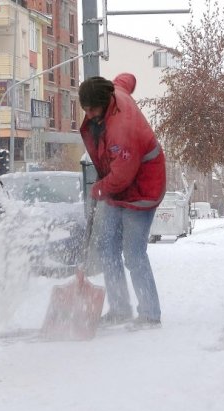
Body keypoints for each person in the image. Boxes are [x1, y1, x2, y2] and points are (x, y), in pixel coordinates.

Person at [78, 74, 166, 330]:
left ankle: (150, 314)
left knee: (134, 253)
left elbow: (120, 178)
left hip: (142, 188)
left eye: (92, 108)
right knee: (107, 247)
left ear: (106, 102)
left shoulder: (121, 129)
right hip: (119, 185)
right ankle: (119, 309)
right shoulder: (113, 92)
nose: (88, 113)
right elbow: (127, 80)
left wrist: (98, 190)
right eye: (84, 108)